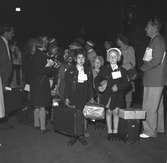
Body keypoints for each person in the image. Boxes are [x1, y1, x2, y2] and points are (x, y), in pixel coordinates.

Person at [139, 18, 167, 139]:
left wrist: (142, 69)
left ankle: (150, 131)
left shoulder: (157, 41)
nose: (145, 29)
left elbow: (156, 60)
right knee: (157, 106)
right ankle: (159, 128)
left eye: (147, 26)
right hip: (155, 78)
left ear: (154, 28)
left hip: (154, 79)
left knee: (149, 106)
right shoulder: (156, 40)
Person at [95, 48, 130, 141]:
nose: (113, 58)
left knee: (116, 112)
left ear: (118, 58)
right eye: (111, 56)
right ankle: (110, 132)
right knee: (109, 112)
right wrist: (99, 86)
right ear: (108, 58)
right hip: (107, 95)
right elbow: (97, 79)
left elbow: (127, 83)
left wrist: (118, 87)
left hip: (117, 96)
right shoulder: (104, 69)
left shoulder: (122, 70)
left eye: (115, 56)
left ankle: (115, 132)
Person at [64, 48, 94, 145]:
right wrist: (67, 97)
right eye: (79, 57)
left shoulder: (88, 71)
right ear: (75, 59)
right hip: (73, 95)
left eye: (83, 58)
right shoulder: (70, 70)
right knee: (74, 115)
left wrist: (91, 97)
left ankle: (80, 135)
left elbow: (90, 85)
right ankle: (73, 135)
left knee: (82, 116)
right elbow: (67, 85)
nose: (81, 59)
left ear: (85, 59)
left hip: (84, 95)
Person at [30, 37, 53, 135]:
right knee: (42, 106)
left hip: (34, 82)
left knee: (36, 105)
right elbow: (45, 71)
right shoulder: (42, 56)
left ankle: (36, 124)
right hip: (42, 83)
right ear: (42, 45)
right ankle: (43, 128)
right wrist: (49, 65)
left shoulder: (33, 54)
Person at [0, 25, 15, 129]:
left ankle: (4, 119)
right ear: (6, 32)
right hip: (2, 77)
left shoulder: (6, 43)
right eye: (12, 32)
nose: (13, 34)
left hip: (5, 77)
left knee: (4, 99)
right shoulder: (1, 43)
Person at [116, 34, 136, 107]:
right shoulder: (118, 51)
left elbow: (133, 63)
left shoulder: (130, 48)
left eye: (117, 40)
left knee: (128, 93)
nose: (116, 41)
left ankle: (128, 111)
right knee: (119, 92)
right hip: (119, 74)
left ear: (121, 40)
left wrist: (122, 67)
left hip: (128, 73)